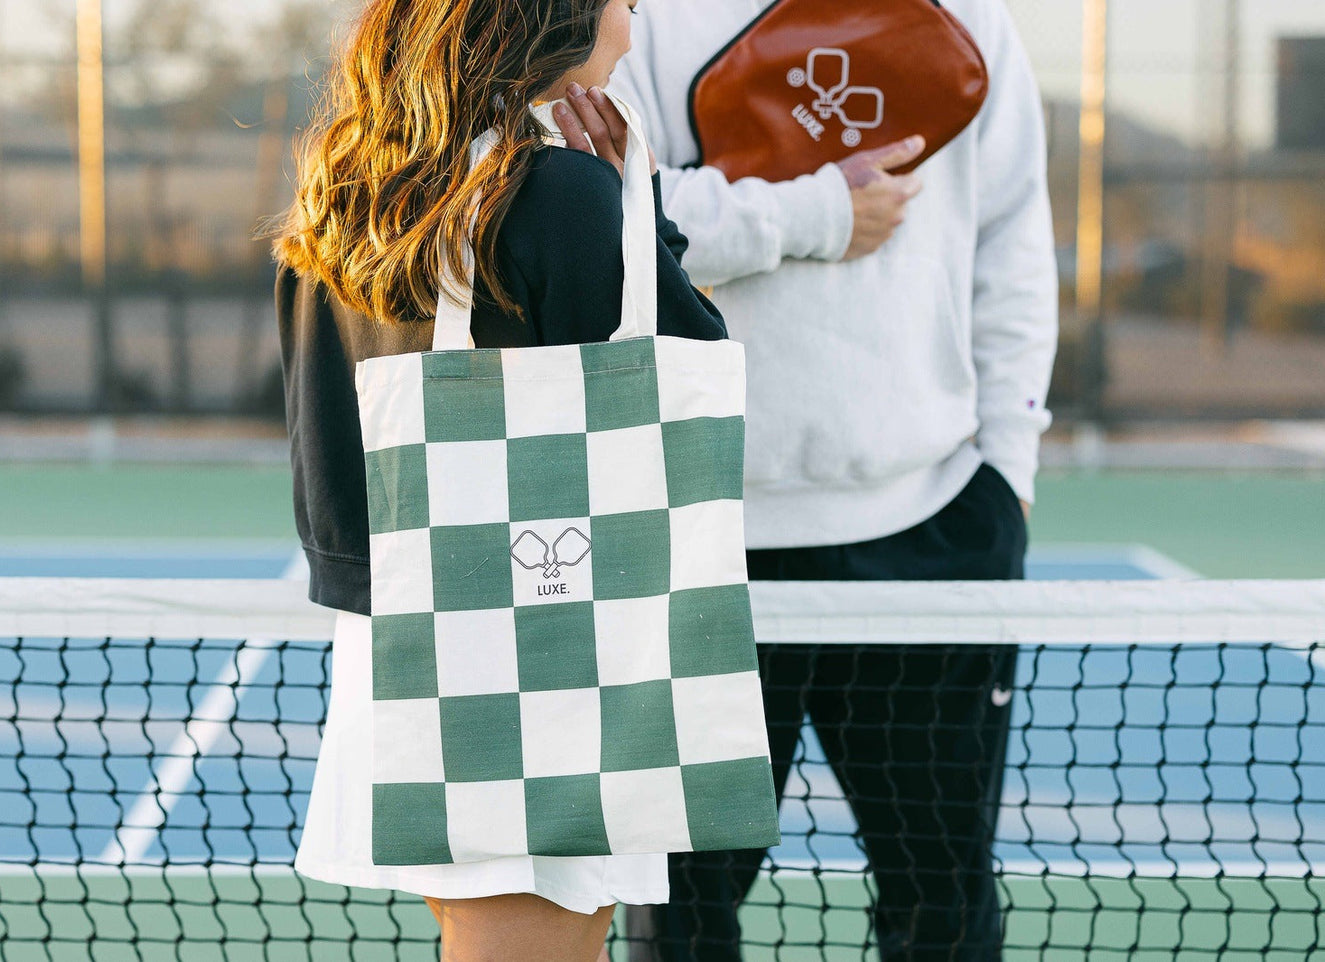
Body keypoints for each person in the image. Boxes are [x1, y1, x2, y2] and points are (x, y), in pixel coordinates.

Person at [271, 1, 732, 960]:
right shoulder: (553, 192)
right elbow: (682, 363)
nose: (632, 33)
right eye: (626, 6)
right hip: (543, 650)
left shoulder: (357, 184)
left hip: (407, 645)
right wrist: (632, 211)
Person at [601, 0, 1059, 958]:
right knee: (676, 916)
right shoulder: (631, 18)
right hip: (698, 536)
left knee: (943, 904)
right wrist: (816, 211)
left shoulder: (971, 17)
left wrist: (1005, 469)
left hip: (932, 530)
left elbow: (1012, 245)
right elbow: (608, 220)